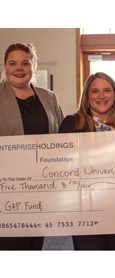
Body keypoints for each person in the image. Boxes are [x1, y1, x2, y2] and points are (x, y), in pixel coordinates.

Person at [59, 72, 115, 250]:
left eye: (107, 90)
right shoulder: (72, 123)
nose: (101, 96)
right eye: (94, 91)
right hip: (84, 208)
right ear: (87, 96)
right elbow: (61, 165)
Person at [0, 42, 64, 250]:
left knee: (35, 244)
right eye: (13, 63)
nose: (19, 68)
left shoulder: (49, 97)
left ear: (33, 66)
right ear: (5, 66)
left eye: (25, 63)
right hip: (7, 191)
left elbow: (63, 138)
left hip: (41, 188)